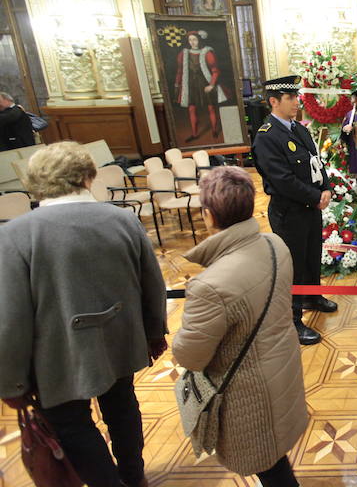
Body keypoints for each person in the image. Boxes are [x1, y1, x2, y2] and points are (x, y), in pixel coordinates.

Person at [0, 141, 167, 487]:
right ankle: (134, 478)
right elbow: (152, 282)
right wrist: (154, 333)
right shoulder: (123, 219)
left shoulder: (14, 235)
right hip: (121, 340)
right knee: (122, 408)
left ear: (35, 183)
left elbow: (10, 318)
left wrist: (12, 380)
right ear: (89, 177)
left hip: (56, 357)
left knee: (72, 425)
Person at [172, 167, 308, 487]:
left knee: (271, 469)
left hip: (249, 396)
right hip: (282, 369)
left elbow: (190, 357)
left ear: (208, 215)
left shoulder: (210, 285)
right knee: (274, 461)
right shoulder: (275, 245)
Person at [252, 75, 336, 346]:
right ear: (274, 101)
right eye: (290, 98)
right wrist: (315, 196)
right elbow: (282, 180)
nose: (297, 102)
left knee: (312, 255)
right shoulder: (267, 137)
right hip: (290, 212)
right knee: (293, 265)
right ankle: (293, 320)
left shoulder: (298, 129)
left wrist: (326, 187)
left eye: (296, 97)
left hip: (311, 207)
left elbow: (316, 162)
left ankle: (312, 297)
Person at [175, 30, 225, 143]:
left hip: (205, 84)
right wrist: (177, 84)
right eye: (190, 40)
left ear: (199, 40)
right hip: (191, 85)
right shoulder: (184, 54)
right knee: (192, 109)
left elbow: (215, 71)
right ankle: (194, 133)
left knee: (211, 107)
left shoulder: (207, 53)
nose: (192, 42)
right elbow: (180, 70)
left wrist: (211, 85)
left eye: (195, 39)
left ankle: (214, 131)